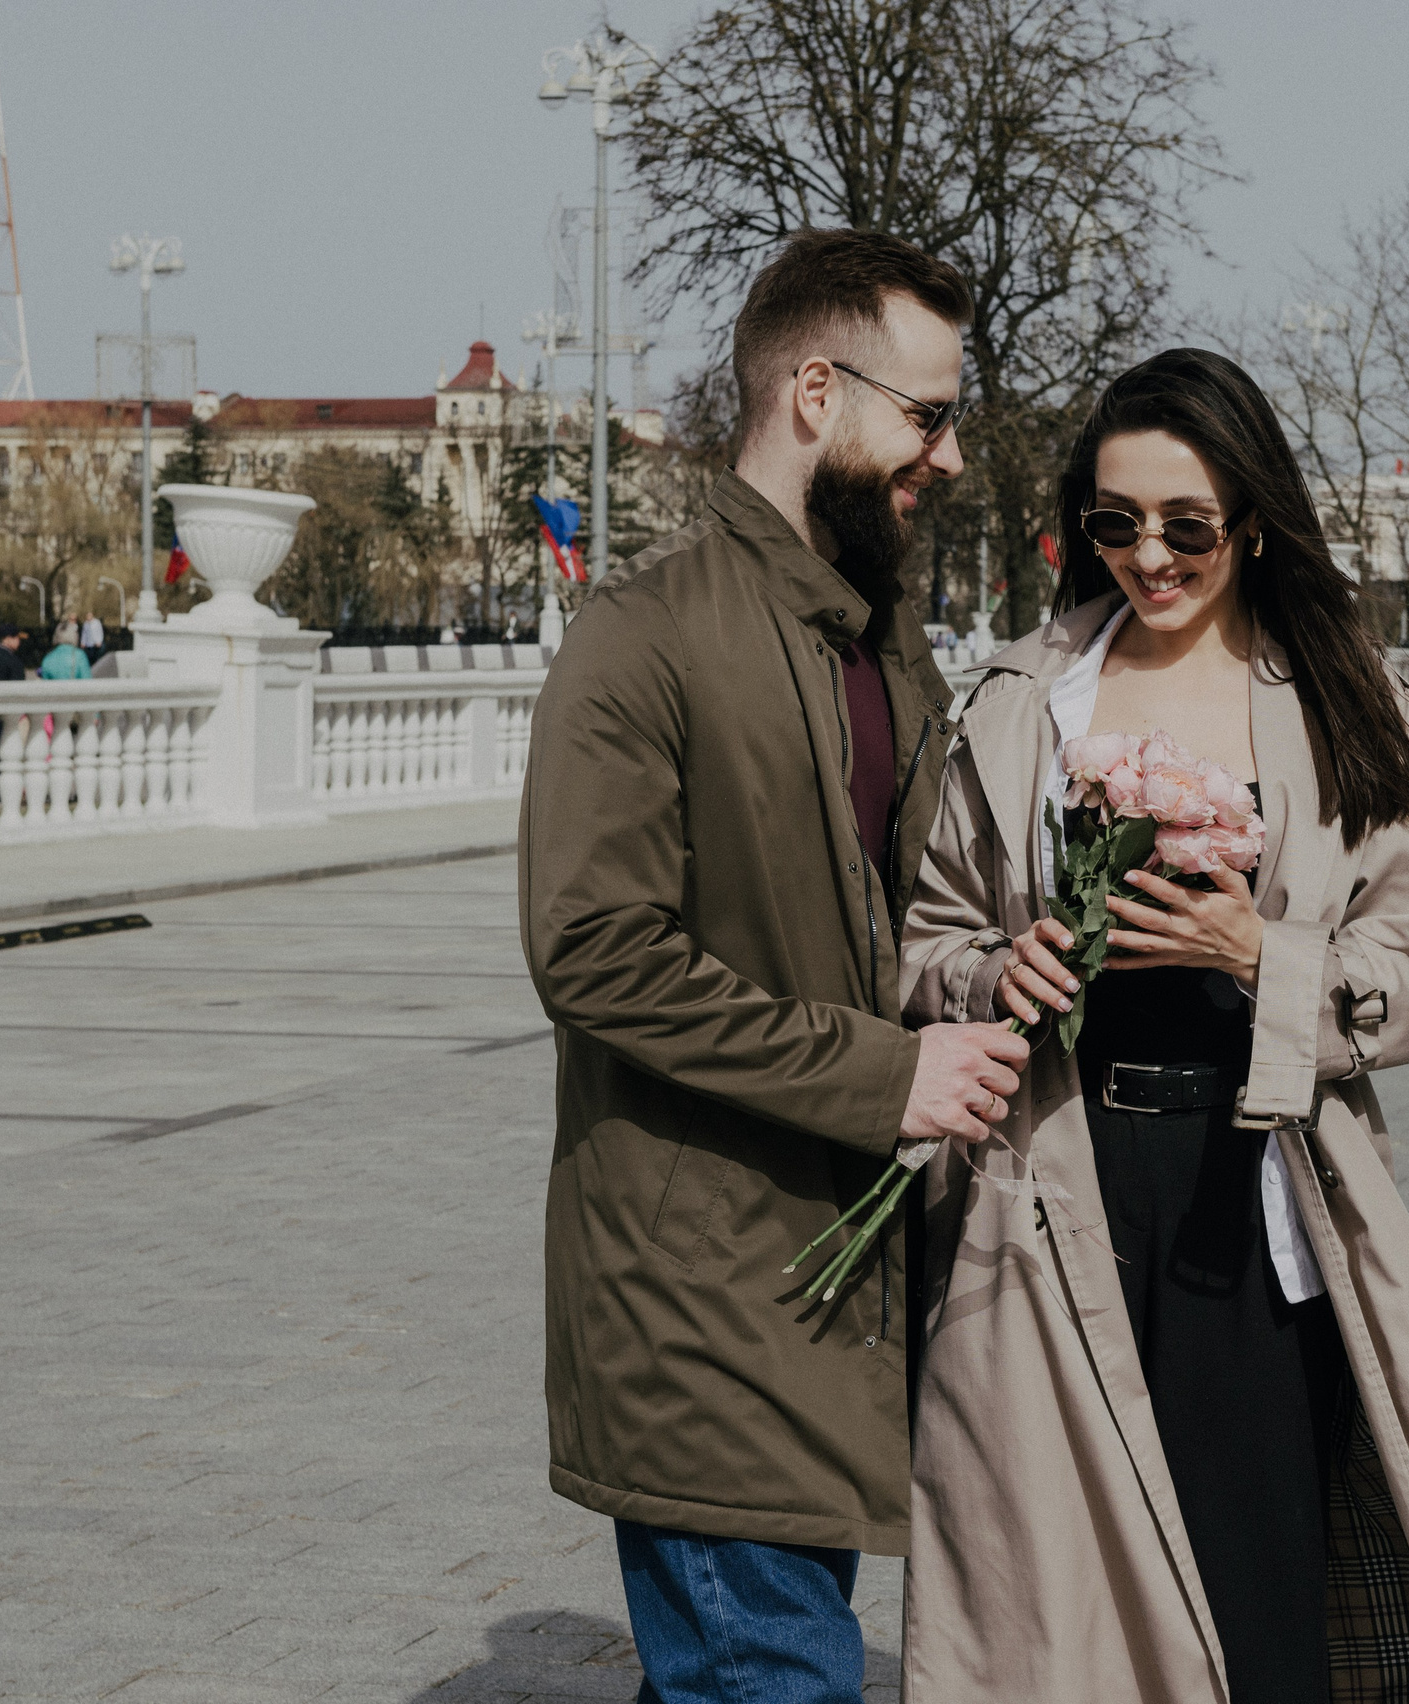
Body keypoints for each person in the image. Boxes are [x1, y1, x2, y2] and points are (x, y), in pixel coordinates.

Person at [898, 349, 1409, 1703]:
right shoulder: (1016, 700)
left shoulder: (1338, 702)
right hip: (1049, 1192)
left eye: (1187, 526)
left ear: (1254, 518)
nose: (1149, 557)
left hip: (1257, 1193)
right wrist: (1000, 973)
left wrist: (1260, 954)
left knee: (1259, 1584)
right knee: (1055, 1604)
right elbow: (926, 938)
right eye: (1114, 522)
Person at [519, 228, 1031, 1704]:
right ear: (817, 391)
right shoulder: (641, 638)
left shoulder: (887, 647)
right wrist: (894, 1076)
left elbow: (910, 922)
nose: (947, 452)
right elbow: (593, 951)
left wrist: (1020, 961)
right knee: (773, 1680)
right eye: (927, 414)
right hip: (700, 1296)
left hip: (843, 1279)